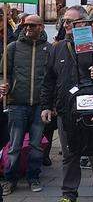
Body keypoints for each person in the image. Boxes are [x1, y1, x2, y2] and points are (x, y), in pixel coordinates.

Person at [40, 5, 93, 202]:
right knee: (70, 155)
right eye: (64, 21)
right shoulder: (57, 48)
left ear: (84, 23)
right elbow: (48, 80)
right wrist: (45, 105)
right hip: (66, 112)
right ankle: (68, 194)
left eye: (70, 21)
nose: (65, 25)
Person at [0, 15, 50, 195]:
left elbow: (51, 78)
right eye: (25, 24)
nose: (28, 27)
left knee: (36, 145)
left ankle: (33, 176)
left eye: (32, 25)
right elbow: (2, 72)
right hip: (17, 103)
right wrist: (3, 84)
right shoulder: (12, 47)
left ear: (41, 27)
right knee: (14, 145)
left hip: (39, 105)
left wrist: (49, 103)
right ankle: (10, 179)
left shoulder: (48, 49)